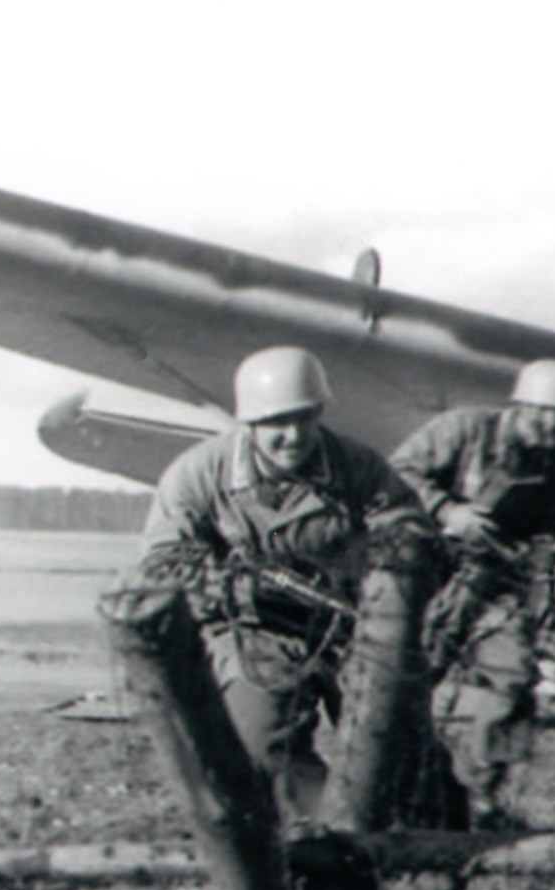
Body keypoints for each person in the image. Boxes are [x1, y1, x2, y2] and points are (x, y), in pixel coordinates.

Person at [135, 345, 436, 824]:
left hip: (349, 626)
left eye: (304, 418)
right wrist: (233, 582)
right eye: (276, 422)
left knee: (402, 745)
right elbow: (161, 563)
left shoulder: (356, 465)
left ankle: (431, 846)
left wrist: (389, 567)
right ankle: (318, 836)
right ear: (249, 423)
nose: (293, 436)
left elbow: (409, 527)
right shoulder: (197, 475)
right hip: (253, 629)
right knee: (264, 745)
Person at [388, 358, 555, 828]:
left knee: (513, 680)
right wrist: (447, 511)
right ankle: (394, 791)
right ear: (520, 405)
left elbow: (549, 528)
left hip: (497, 581)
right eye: (545, 413)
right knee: (410, 683)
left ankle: (483, 795)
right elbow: (396, 473)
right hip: (428, 573)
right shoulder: (464, 429)